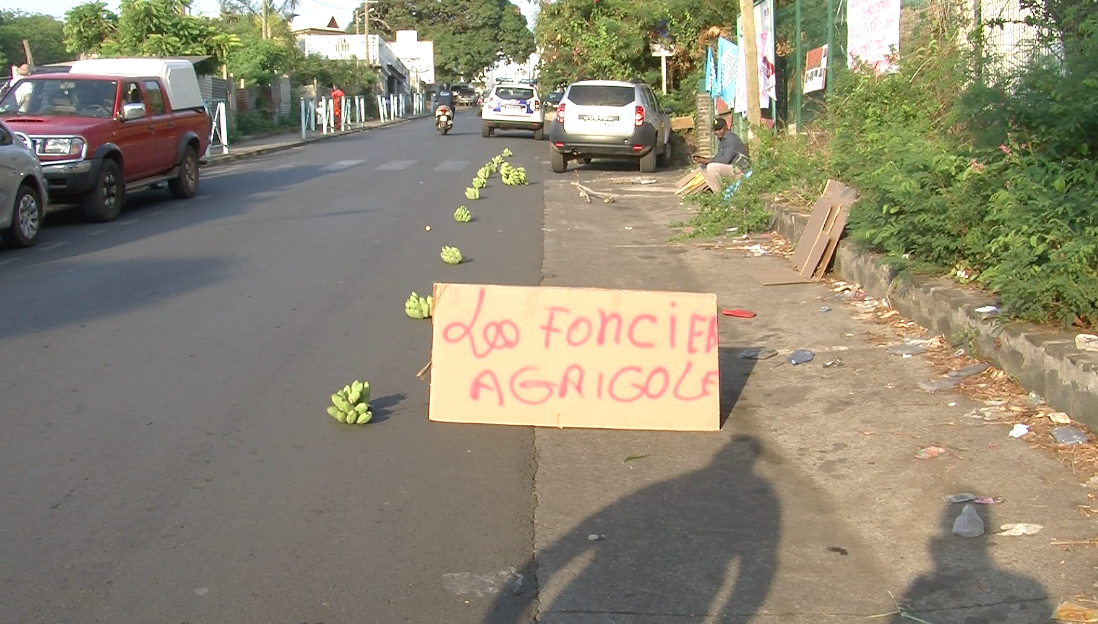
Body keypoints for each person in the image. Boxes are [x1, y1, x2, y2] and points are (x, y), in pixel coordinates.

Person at [693, 117, 750, 193]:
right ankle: (717, 193)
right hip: (731, 168)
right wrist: (703, 160)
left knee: (711, 167)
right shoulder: (722, 140)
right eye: (715, 130)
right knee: (704, 167)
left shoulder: (731, 139)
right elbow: (718, 158)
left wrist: (707, 160)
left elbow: (725, 160)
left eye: (720, 129)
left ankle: (720, 194)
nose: (717, 132)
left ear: (726, 127)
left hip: (740, 170)